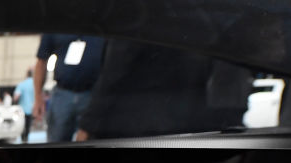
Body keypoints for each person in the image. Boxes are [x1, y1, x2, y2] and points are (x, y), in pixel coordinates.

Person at [76, 40, 252, 139]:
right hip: (180, 124)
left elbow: (115, 72)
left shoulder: (139, 13)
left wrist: (87, 125)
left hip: (129, 126)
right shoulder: (198, 17)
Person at [33, 34, 105, 142]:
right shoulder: (57, 25)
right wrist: (38, 97)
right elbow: (41, 61)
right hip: (62, 95)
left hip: (93, 96)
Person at [13, 68, 35, 142]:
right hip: (31, 109)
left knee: (22, 126)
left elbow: (16, 97)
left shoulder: (22, 84)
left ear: (26, 74)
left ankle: (23, 140)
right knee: (28, 126)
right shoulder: (35, 85)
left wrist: (14, 102)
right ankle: (26, 139)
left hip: (22, 109)